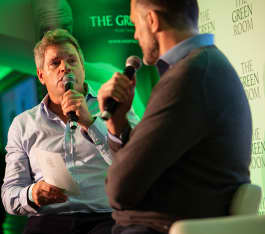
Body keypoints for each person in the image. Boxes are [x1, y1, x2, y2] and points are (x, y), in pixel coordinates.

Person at [97, 0, 252, 233]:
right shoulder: (202, 67)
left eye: (135, 24)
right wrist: (117, 124)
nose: (136, 35)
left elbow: (119, 190)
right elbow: (137, 170)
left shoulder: (188, 77)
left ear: (152, 20)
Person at [1, 28, 138, 234]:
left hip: (104, 218)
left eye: (72, 61)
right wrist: (33, 194)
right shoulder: (23, 124)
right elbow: (10, 193)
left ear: (82, 67)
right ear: (41, 75)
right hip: (48, 221)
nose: (65, 67)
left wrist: (91, 123)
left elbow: (137, 162)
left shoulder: (114, 104)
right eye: (55, 63)